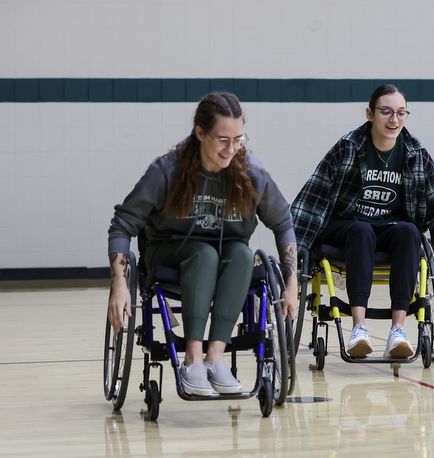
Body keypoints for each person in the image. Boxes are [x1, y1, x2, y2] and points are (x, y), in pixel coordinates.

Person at [107, 92, 298, 396]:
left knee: (243, 254)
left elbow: (283, 223)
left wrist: (291, 283)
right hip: (169, 255)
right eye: (223, 139)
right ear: (200, 133)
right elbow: (123, 223)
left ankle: (215, 358)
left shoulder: (251, 174)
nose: (231, 149)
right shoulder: (166, 172)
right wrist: (119, 283)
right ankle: (192, 359)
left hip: (226, 257)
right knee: (204, 253)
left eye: (239, 139)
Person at [291, 84, 434, 358]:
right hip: (346, 228)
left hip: (391, 231)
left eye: (401, 113)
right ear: (370, 114)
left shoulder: (416, 155)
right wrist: (295, 268)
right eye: (386, 112)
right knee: (362, 230)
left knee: (410, 232)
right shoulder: (347, 148)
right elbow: (309, 205)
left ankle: (398, 330)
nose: (394, 119)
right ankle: (358, 329)